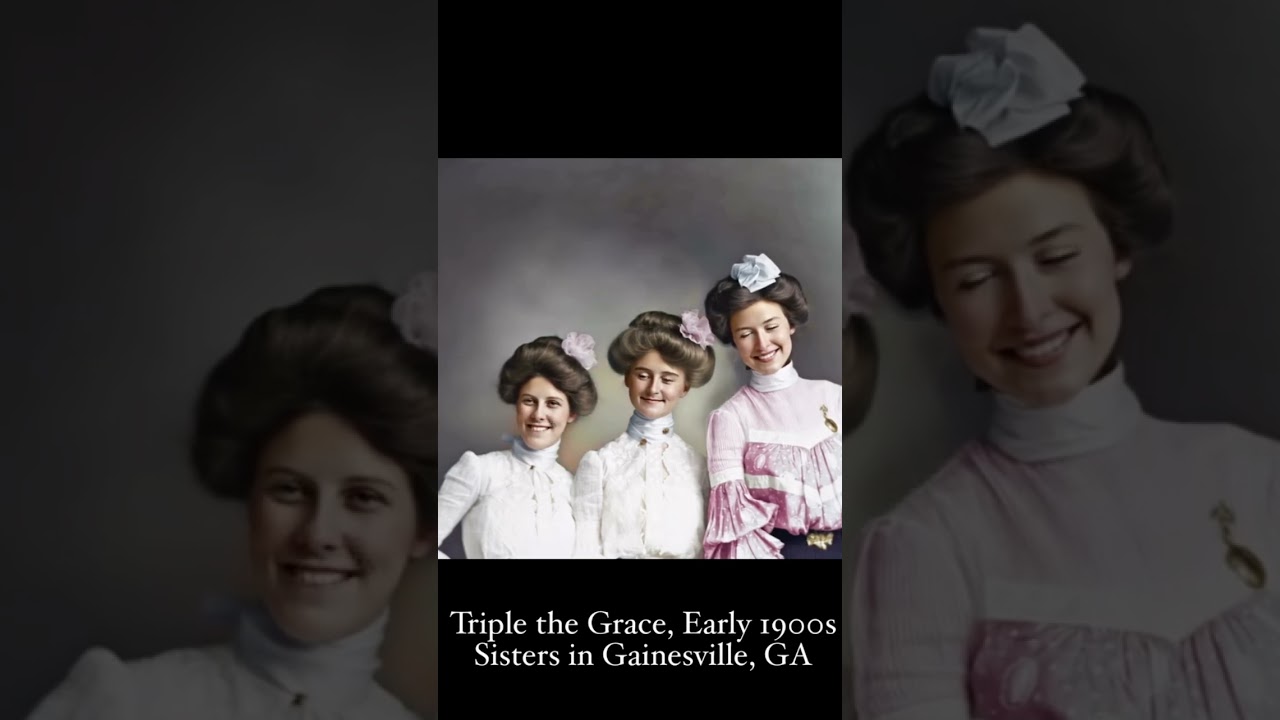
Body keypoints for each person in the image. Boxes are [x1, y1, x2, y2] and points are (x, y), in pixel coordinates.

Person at [847, 23, 1280, 719]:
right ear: (940, 301)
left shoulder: (1259, 477)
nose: (1029, 310)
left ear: (1118, 249)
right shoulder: (925, 547)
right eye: (978, 278)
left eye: (1055, 258)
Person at [28, 277, 437, 719]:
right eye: (288, 490)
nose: (318, 533)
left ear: (423, 530)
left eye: (362, 498)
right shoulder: (125, 703)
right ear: (252, 502)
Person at [701, 253, 843, 559]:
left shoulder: (833, 396)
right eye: (746, 334)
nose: (763, 344)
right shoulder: (729, 418)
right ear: (735, 342)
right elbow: (735, 528)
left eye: (771, 327)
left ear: (790, 324)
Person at [436, 333, 598, 559]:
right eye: (529, 401)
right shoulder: (481, 470)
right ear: (517, 405)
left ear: (571, 413)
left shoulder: (572, 487)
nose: (538, 414)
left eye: (552, 404)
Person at [572, 310, 716, 559]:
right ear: (627, 378)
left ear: (685, 387)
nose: (653, 388)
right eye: (642, 375)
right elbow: (584, 548)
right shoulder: (600, 463)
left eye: (668, 379)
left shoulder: (699, 467)